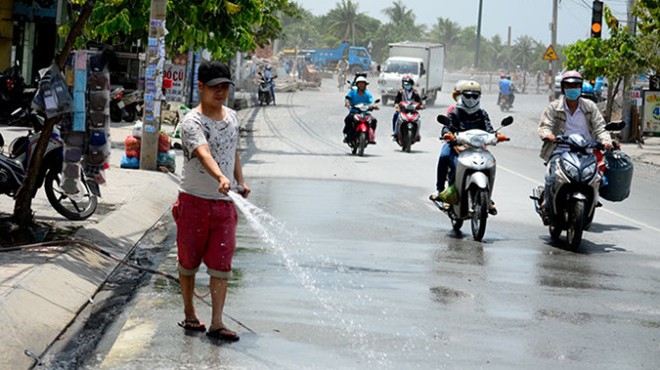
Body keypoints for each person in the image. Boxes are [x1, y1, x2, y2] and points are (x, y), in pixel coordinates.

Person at [172, 60, 250, 342]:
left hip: (224, 206)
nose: (221, 92)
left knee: (221, 264)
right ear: (201, 87)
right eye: (215, 87)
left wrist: (240, 180)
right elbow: (204, 153)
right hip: (194, 201)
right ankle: (190, 312)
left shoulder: (231, 118)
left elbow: (233, 151)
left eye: (225, 87)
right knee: (188, 261)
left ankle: (217, 321)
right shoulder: (192, 121)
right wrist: (220, 177)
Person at [538, 70, 612, 214]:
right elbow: (545, 126)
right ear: (563, 87)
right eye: (569, 86)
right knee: (552, 176)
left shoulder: (590, 106)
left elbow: (600, 127)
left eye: (576, 85)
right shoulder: (554, 107)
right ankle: (547, 202)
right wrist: (548, 135)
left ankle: (593, 199)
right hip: (560, 150)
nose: (573, 89)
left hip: (586, 152)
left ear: (581, 87)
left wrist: (606, 141)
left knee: (596, 178)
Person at [431, 80, 498, 214]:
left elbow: (489, 128)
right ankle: (441, 190)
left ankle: (488, 198)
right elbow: (447, 126)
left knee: (491, 163)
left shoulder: (482, 113)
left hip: (477, 147)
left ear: (479, 97)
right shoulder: (455, 112)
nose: (471, 99)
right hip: (456, 145)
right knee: (444, 157)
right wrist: (447, 134)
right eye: (468, 95)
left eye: (475, 96)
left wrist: (495, 135)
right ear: (462, 96)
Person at [343, 75, 378, 144]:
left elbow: (371, 101)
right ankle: (347, 135)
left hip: (365, 113)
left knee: (374, 120)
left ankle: (371, 136)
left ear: (365, 85)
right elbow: (347, 98)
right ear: (357, 84)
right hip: (354, 112)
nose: (361, 85)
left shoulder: (367, 94)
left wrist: (373, 106)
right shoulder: (353, 92)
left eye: (363, 83)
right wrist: (347, 103)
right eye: (360, 83)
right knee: (348, 119)